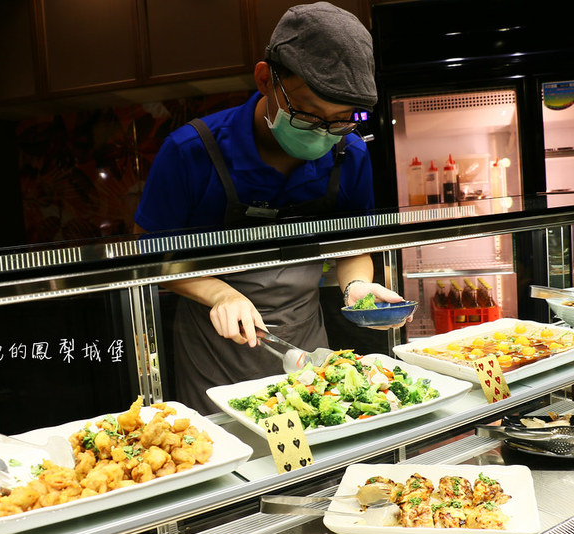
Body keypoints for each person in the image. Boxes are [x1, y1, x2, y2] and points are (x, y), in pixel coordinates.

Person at [135, 2, 410, 413]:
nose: (323, 132)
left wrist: (356, 287)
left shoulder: (349, 153)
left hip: (307, 343)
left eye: (339, 120)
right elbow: (150, 256)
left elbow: (351, 246)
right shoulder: (191, 151)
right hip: (214, 351)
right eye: (308, 114)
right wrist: (219, 294)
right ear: (266, 79)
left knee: (316, 426)